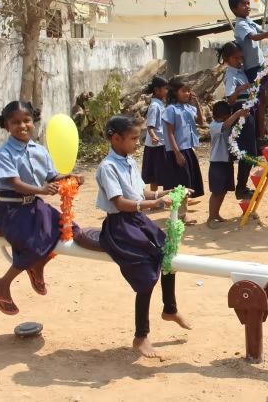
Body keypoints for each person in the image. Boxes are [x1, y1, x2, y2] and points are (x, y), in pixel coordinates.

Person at [95, 116, 192, 358]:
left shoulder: (127, 160)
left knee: (168, 253)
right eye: (134, 138)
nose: (139, 143)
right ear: (115, 139)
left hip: (136, 220)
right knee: (146, 275)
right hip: (120, 225)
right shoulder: (108, 167)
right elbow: (120, 202)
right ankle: (141, 336)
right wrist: (155, 203)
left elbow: (141, 192)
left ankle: (169, 308)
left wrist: (168, 192)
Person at [0, 100, 84, 315]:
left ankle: (37, 266)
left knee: (70, 230)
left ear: (34, 121)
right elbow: (14, 183)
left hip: (35, 206)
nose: (22, 126)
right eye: (15, 122)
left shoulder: (40, 150)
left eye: (26, 120)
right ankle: (1, 285)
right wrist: (41, 190)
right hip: (12, 208)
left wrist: (71, 177)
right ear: (6, 126)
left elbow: (52, 176)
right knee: (31, 245)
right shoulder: (4, 153)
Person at [230, 0, 268, 141]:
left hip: (262, 64)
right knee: (260, 102)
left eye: (248, 3)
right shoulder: (240, 25)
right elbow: (254, 37)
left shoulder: (249, 21)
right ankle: (261, 135)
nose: (247, 6)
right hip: (253, 68)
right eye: (243, 4)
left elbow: (261, 32)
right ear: (234, 9)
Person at [163, 77, 205, 223]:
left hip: (189, 148)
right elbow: (170, 133)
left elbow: (201, 122)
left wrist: (197, 103)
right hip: (178, 150)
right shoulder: (170, 109)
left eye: (189, 91)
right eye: (184, 91)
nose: (187, 93)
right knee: (180, 183)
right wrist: (177, 153)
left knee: (187, 181)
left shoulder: (189, 108)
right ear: (175, 92)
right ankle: (182, 214)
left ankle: (181, 212)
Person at [221, 41, 258, 201]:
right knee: (246, 152)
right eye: (236, 58)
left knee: (250, 151)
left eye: (241, 58)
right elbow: (230, 100)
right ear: (228, 59)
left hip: (247, 113)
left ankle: (243, 185)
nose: (240, 61)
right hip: (240, 114)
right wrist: (238, 90)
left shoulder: (240, 71)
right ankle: (241, 187)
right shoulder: (230, 75)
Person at [208, 100, 250, 227]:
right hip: (217, 163)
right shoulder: (214, 125)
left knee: (223, 190)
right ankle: (211, 217)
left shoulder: (226, 123)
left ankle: (216, 214)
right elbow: (225, 125)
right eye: (226, 117)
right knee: (216, 191)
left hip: (226, 162)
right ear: (219, 117)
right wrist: (237, 114)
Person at [141, 75, 169, 193]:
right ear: (157, 90)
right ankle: (155, 200)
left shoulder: (161, 104)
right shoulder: (154, 106)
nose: (167, 91)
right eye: (165, 88)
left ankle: (164, 198)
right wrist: (153, 136)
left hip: (162, 143)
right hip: (156, 146)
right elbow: (150, 126)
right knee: (155, 175)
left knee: (161, 173)